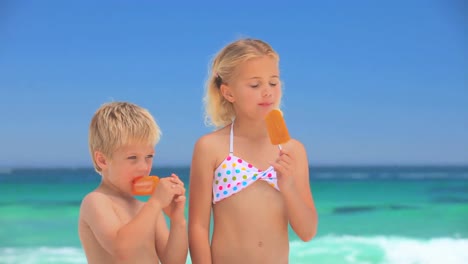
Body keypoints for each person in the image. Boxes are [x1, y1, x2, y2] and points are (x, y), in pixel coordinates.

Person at [188, 38, 318, 264]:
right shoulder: (210, 148)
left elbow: (307, 232)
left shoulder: (292, 151)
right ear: (229, 93)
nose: (267, 92)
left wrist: (288, 187)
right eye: (255, 85)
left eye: (273, 83)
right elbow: (198, 226)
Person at [78, 102, 188, 264]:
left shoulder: (147, 208)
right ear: (102, 160)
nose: (144, 167)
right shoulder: (96, 202)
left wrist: (177, 219)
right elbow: (121, 250)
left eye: (149, 157)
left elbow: (174, 261)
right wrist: (156, 202)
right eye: (132, 158)